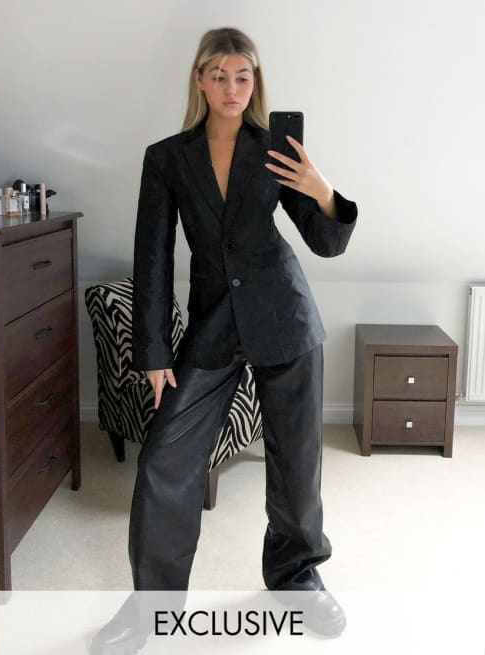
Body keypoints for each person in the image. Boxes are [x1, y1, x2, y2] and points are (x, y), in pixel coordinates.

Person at [91, 26, 357, 655]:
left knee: (297, 463)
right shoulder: (167, 158)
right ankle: (152, 608)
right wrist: (153, 354)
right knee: (165, 461)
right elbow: (152, 259)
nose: (231, 87)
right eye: (219, 75)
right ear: (200, 80)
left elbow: (324, 243)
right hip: (212, 324)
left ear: (254, 82)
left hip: (284, 316)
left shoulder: (274, 150)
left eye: (243, 75)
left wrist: (322, 190)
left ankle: (296, 576)